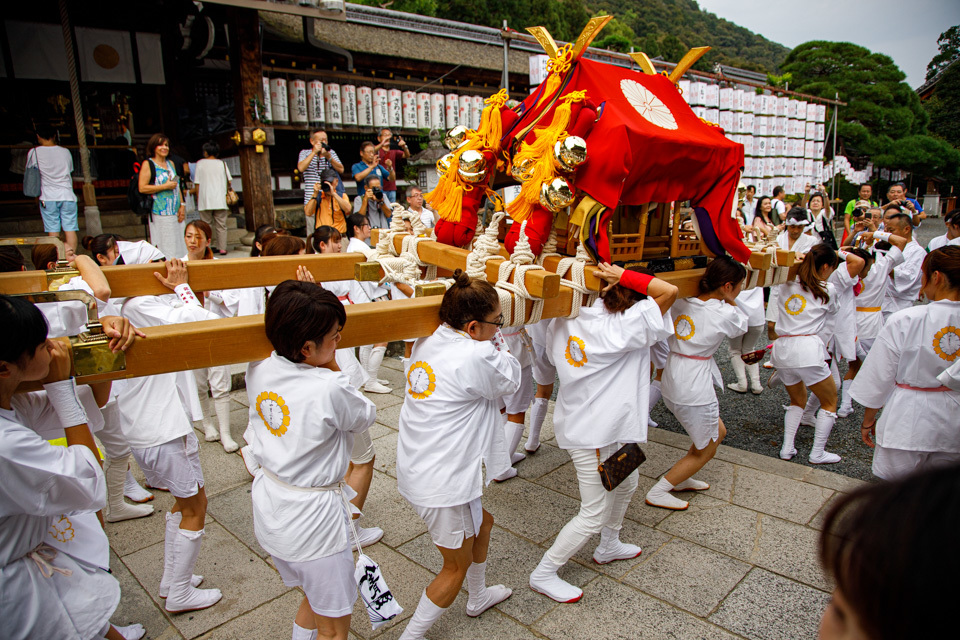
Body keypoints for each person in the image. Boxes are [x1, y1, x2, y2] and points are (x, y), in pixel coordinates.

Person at [0, 295, 146, 640]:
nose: (53, 347)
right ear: (4, 367)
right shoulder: (6, 444)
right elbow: (87, 483)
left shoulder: (11, 400)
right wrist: (60, 386)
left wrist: (101, 335)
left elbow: (90, 403)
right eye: (41, 344)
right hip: (13, 589)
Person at [530, 264, 677, 601]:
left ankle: (609, 543)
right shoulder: (627, 322)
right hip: (596, 432)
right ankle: (545, 571)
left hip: (603, 425)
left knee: (628, 482)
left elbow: (550, 357)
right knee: (592, 511)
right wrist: (626, 275)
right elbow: (668, 291)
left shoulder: (566, 316)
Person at [245, 280, 377, 640]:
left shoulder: (259, 367)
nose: (339, 341)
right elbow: (365, 415)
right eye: (334, 335)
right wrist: (333, 364)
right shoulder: (329, 387)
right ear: (306, 347)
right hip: (313, 524)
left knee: (313, 598)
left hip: (272, 505)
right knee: (334, 628)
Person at [397, 270, 519, 639]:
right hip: (442, 478)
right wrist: (499, 344)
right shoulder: (476, 356)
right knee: (454, 567)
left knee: (484, 523)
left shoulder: (430, 338)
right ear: (471, 326)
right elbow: (510, 380)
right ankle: (411, 636)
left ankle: (478, 596)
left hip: (422, 463)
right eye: (497, 321)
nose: (500, 327)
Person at [113, 258, 223, 612]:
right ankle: (179, 592)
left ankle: (172, 578)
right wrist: (182, 288)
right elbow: (205, 324)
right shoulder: (138, 304)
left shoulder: (133, 304)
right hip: (159, 427)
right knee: (195, 506)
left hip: (160, 423)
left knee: (183, 502)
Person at [850, 246, 960, 479]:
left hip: (908, 415)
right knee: (943, 494)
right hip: (954, 418)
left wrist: (869, 418)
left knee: (897, 493)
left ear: (936, 277)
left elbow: (881, 373)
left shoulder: (907, 319)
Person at [646, 257, 747, 511]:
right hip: (693, 383)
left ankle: (681, 477)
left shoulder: (681, 300)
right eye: (739, 285)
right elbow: (743, 325)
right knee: (707, 446)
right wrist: (730, 298)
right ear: (727, 285)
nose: (740, 290)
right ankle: (660, 490)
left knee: (716, 431)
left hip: (672, 371)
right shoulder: (724, 311)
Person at [307, 226, 385, 548]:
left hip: (334, 352)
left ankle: (336, 520)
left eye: (340, 241)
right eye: (332, 242)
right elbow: (362, 411)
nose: (338, 246)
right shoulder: (317, 333)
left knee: (343, 457)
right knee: (363, 456)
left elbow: (362, 297)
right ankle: (348, 529)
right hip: (331, 368)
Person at [771, 244, 841, 464]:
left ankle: (787, 448)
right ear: (827, 266)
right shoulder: (828, 288)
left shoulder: (786, 283)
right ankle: (817, 452)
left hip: (782, 350)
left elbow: (784, 268)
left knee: (796, 400)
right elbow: (834, 311)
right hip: (808, 350)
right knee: (830, 401)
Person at [836, 231, 909, 417]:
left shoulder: (846, 271)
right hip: (872, 323)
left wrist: (846, 248)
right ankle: (884, 402)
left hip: (851, 323)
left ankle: (845, 404)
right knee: (879, 365)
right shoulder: (882, 265)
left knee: (854, 365)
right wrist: (875, 232)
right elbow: (901, 241)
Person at [182, 220, 237, 452]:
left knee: (221, 381)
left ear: (208, 241)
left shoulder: (218, 266)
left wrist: (210, 293)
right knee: (198, 382)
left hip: (215, 330)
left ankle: (225, 431)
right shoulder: (177, 265)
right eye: (188, 236)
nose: (193, 241)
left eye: (198, 237)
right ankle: (207, 423)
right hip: (191, 332)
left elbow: (232, 301)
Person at [344, 213, 393, 394]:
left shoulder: (354, 246)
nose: (369, 228)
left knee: (366, 342)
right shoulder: (360, 248)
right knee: (382, 338)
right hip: (371, 297)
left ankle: (367, 378)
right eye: (366, 225)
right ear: (356, 228)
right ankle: (371, 380)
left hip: (361, 297)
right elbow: (374, 276)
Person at [766, 208, 821, 340]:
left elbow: (810, 264)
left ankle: (788, 352)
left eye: (799, 227)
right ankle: (775, 352)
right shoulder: (778, 239)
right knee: (771, 325)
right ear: (787, 225)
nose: (795, 231)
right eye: (792, 227)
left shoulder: (812, 241)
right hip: (777, 283)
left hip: (796, 286)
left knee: (791, 325)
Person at [26, 125, 79, 253]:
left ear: (38, 136)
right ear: (55, 135)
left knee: (53, 230)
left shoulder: (34, 152)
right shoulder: (65, 151)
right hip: (67, 195)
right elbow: (70, 169)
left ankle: (58, 258)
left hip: (48, 196)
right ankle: (72, 256)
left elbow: (30, 172)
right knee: (70, 229)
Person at [138, 133, 187, 259]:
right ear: (154, 147)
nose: (164, 148)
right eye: (160, 145)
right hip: (160, 211)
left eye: (166, 145)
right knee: (166, 244)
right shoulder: (148, 164)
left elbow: (177, 185)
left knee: (180, 243)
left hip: (175, 210)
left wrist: (182, 205)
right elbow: (142, 187)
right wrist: (164, 186)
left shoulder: (171, 163)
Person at [880, 208, 926, 320]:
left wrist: (887, 268)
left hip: (900, 304)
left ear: (906, 229)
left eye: (891, 230)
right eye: (886, 230)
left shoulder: (917, 251)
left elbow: (909, 277)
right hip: (881, 302)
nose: (888, 234)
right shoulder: (888, 248)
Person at [298, 129, 346, 233]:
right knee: (312, 233)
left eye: (325, 140)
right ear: (312, 141)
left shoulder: (331, 153)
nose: (324, 142)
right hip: (312, 197)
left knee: (328, 232)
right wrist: (314, 152)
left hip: (328, 198)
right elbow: (301, 168)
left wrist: (329, 157)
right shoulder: (305, 153)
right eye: (321, 140)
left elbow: (341, 169)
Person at [194, 141, 232, 255]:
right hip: (220, 199)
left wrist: (197, 197)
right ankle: (222, 248)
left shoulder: (200, 163)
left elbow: (197, 182)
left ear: (205, 152)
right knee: (221, 225)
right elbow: (229, 181)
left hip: (205, 199)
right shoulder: (222, 163)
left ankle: (207, 248)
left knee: (206, 225)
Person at [304, 167, 351, 234]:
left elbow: (348, 209)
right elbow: (308, 213)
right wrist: (315, 194)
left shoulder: (341, 196)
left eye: (331, 182)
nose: (329, 185)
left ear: (336, 182)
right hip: (323, 236)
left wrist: (334, 194)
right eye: (326, 183)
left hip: (339, 236)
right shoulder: (318, 197)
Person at [374, 128, 410, 203]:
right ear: (379, 138)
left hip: (391, 186)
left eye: (389, 135)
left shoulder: (393, 150)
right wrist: (382, 144)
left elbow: (406, 155)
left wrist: (404, 147)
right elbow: (371, 151)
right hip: (379, 187)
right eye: (385, 135)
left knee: (392, 210)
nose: (387, 137)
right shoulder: (377, 150)